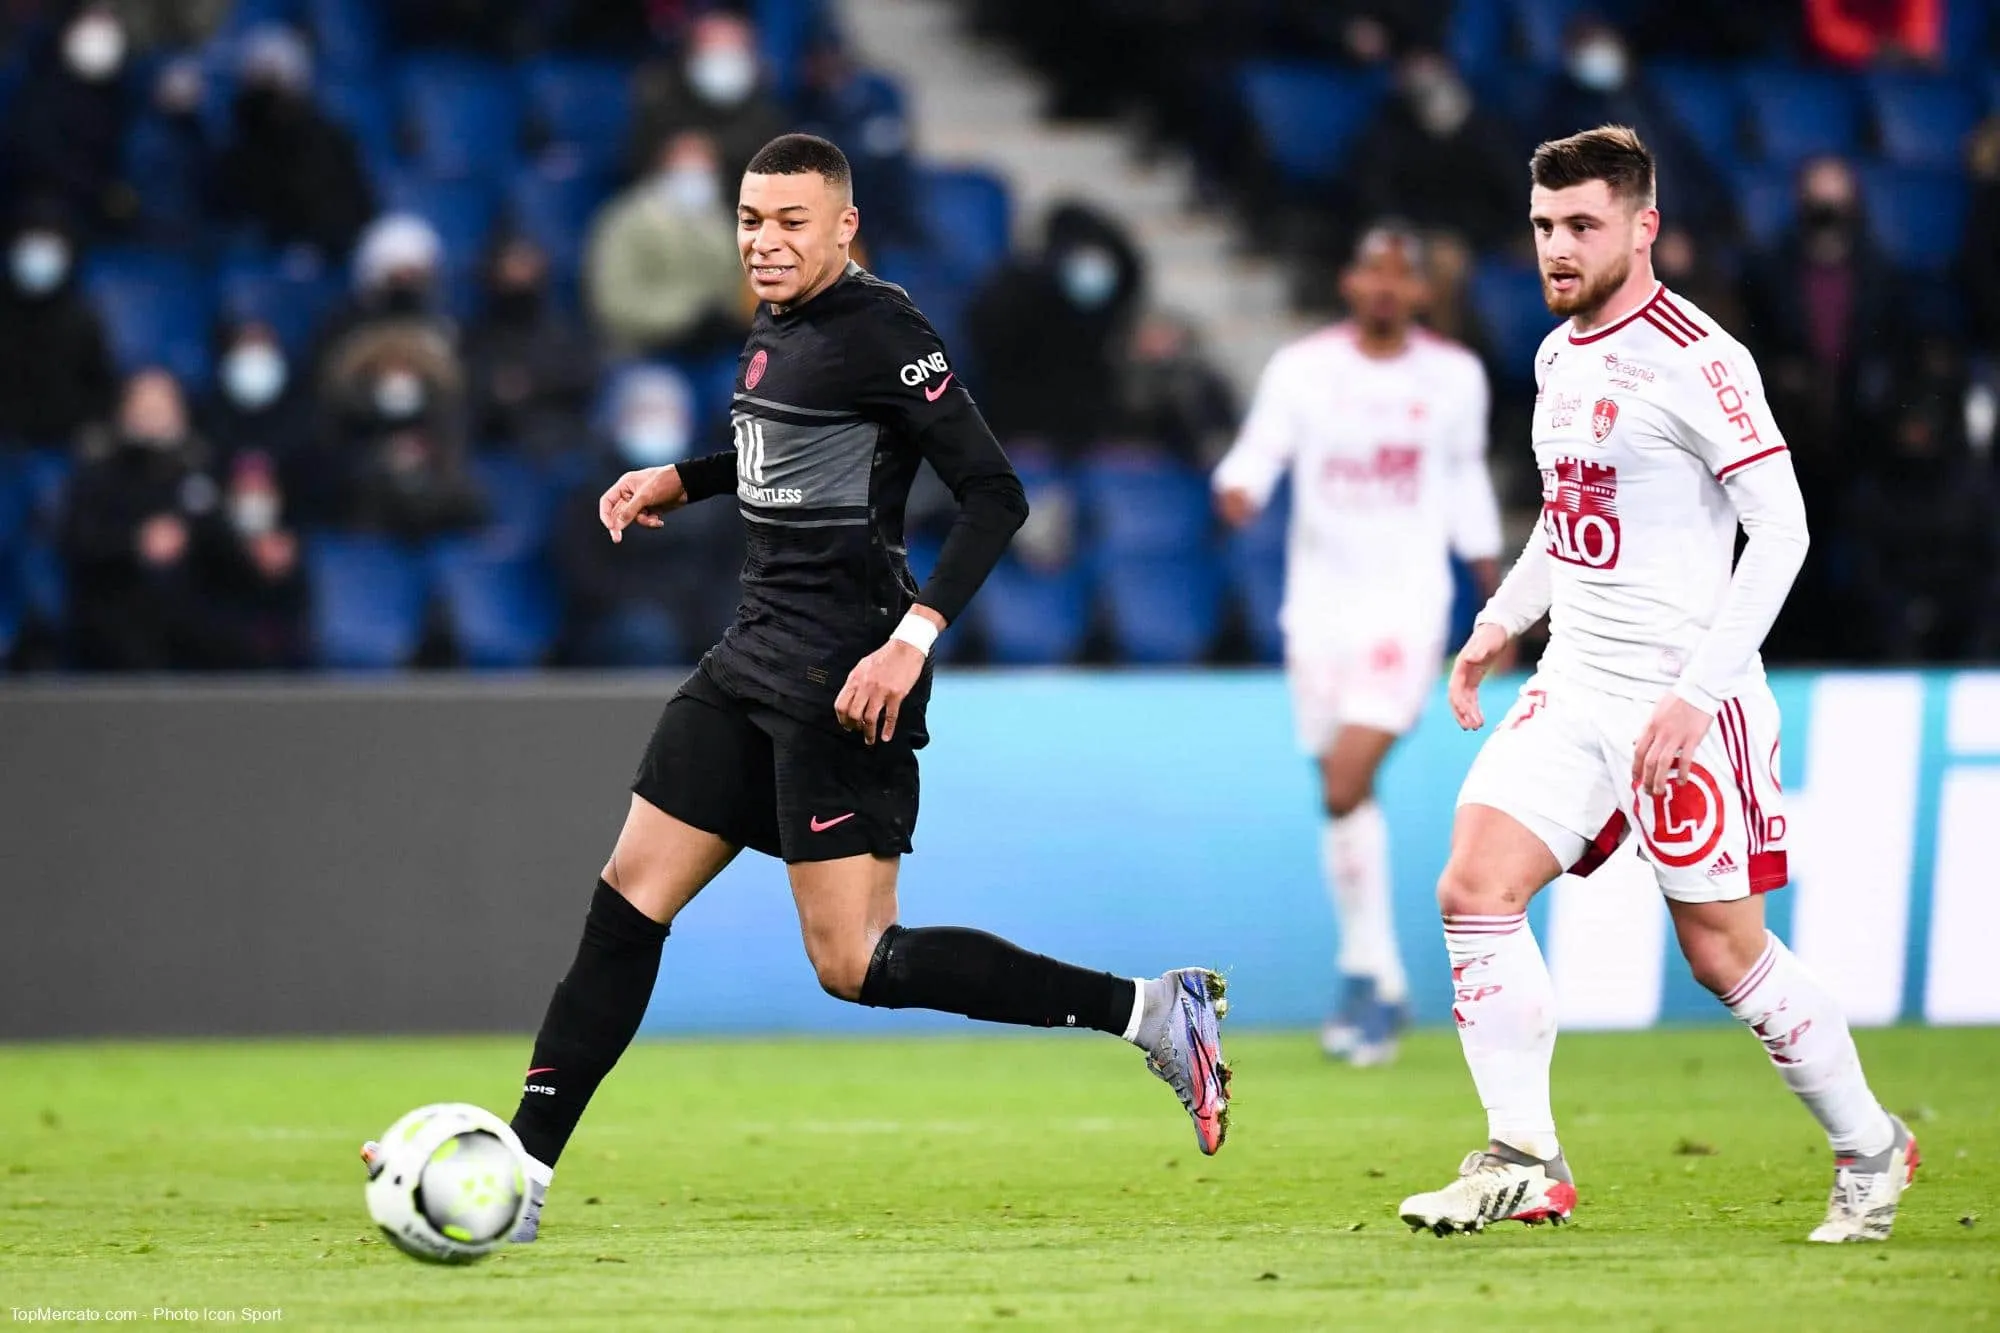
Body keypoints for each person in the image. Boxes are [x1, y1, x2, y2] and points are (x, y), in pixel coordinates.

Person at [363, 135, 1233, 1239]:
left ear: (842, 228)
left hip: (845, 675)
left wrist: (909, 640)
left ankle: (1154, 1011)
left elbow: (994, 495)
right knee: (627, 900)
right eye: (749, 220)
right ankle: (521, 1177)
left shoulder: (887, 331)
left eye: (787, 223)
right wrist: (683, 478)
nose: (764, 242)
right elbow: (783, 449)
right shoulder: (775, 327)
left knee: (855, 963)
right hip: (751, 657)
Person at [1399, 126, 1915, 1243]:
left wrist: (1695, 695)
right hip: (1573, 679)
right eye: (1542, 226)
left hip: (1684, 696)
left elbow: (1780, 531)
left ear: (1642, 227)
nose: (1556, 248)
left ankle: (1870, 1146)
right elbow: (1567, 514)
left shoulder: (1699, 359)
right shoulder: (1553, 356)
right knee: (1471, 888)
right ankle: (1522, 1155)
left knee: (1722, 952)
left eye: (1580, 225)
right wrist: (1498, 623)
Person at [1213, 224, 1502, 1066]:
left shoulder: (1452, 377)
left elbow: (1463, 478)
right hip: (1319, 613)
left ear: (1418, 291)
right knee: (1341, 793)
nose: (1382, 287)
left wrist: (1495, 597)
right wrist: (1240, 487)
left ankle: (1365, 976)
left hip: (1405, 608)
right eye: (1368, 270)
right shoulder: (1305, 369)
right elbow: (1259, 451)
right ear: (1348, 281)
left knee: (1347, 774)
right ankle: (1379, 977)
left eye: (1397, 276)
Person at [61, 370, 231, 669]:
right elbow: (80, 540)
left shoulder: (202, 468)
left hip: (193, 613)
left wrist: (186, 535)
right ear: (124, 411)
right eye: (145, 406)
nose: (154, 416)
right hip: (117, 606)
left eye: (163, 407)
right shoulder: (99, 473)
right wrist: (137, 541)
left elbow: (224, 538)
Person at [215, 24, 376, 258]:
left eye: (275, 81)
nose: (268, 94)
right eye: (259, 80)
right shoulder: (235, 152)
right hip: (264, 256)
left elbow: (353, 211)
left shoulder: (331, 143)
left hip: (328, 252)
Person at [584, 131, 749, 358]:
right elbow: (614, 302)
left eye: (705, 167)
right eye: (687, 167)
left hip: (713, 350)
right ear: (663, 169)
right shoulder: (626, 222)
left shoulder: (719, 223)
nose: (697, 176)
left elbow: (733, 285)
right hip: (642, 351)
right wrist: (687, 320)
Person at [465, 232, 598, 456]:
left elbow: (584, 377)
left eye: (526, 263)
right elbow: (469, 382)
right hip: (494, 440)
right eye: (512, 264)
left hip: (558, 438)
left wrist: (532, 383)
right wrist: (497, 389)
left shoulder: (565, 331)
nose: (519, 274)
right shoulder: (478, 335)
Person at [0, 203, 117, 450]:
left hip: (64, 445)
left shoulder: (83, 319)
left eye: (49, 243)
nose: (38, 254)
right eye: (31, 241)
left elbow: (100, 390)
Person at [627, 11, 788, 187]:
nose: (723, 59)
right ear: (689, 53)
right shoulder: (658, 102)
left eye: (732, 50)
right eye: (712, 48)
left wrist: (713, 150)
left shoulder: (769, 114)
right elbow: (635, 160)